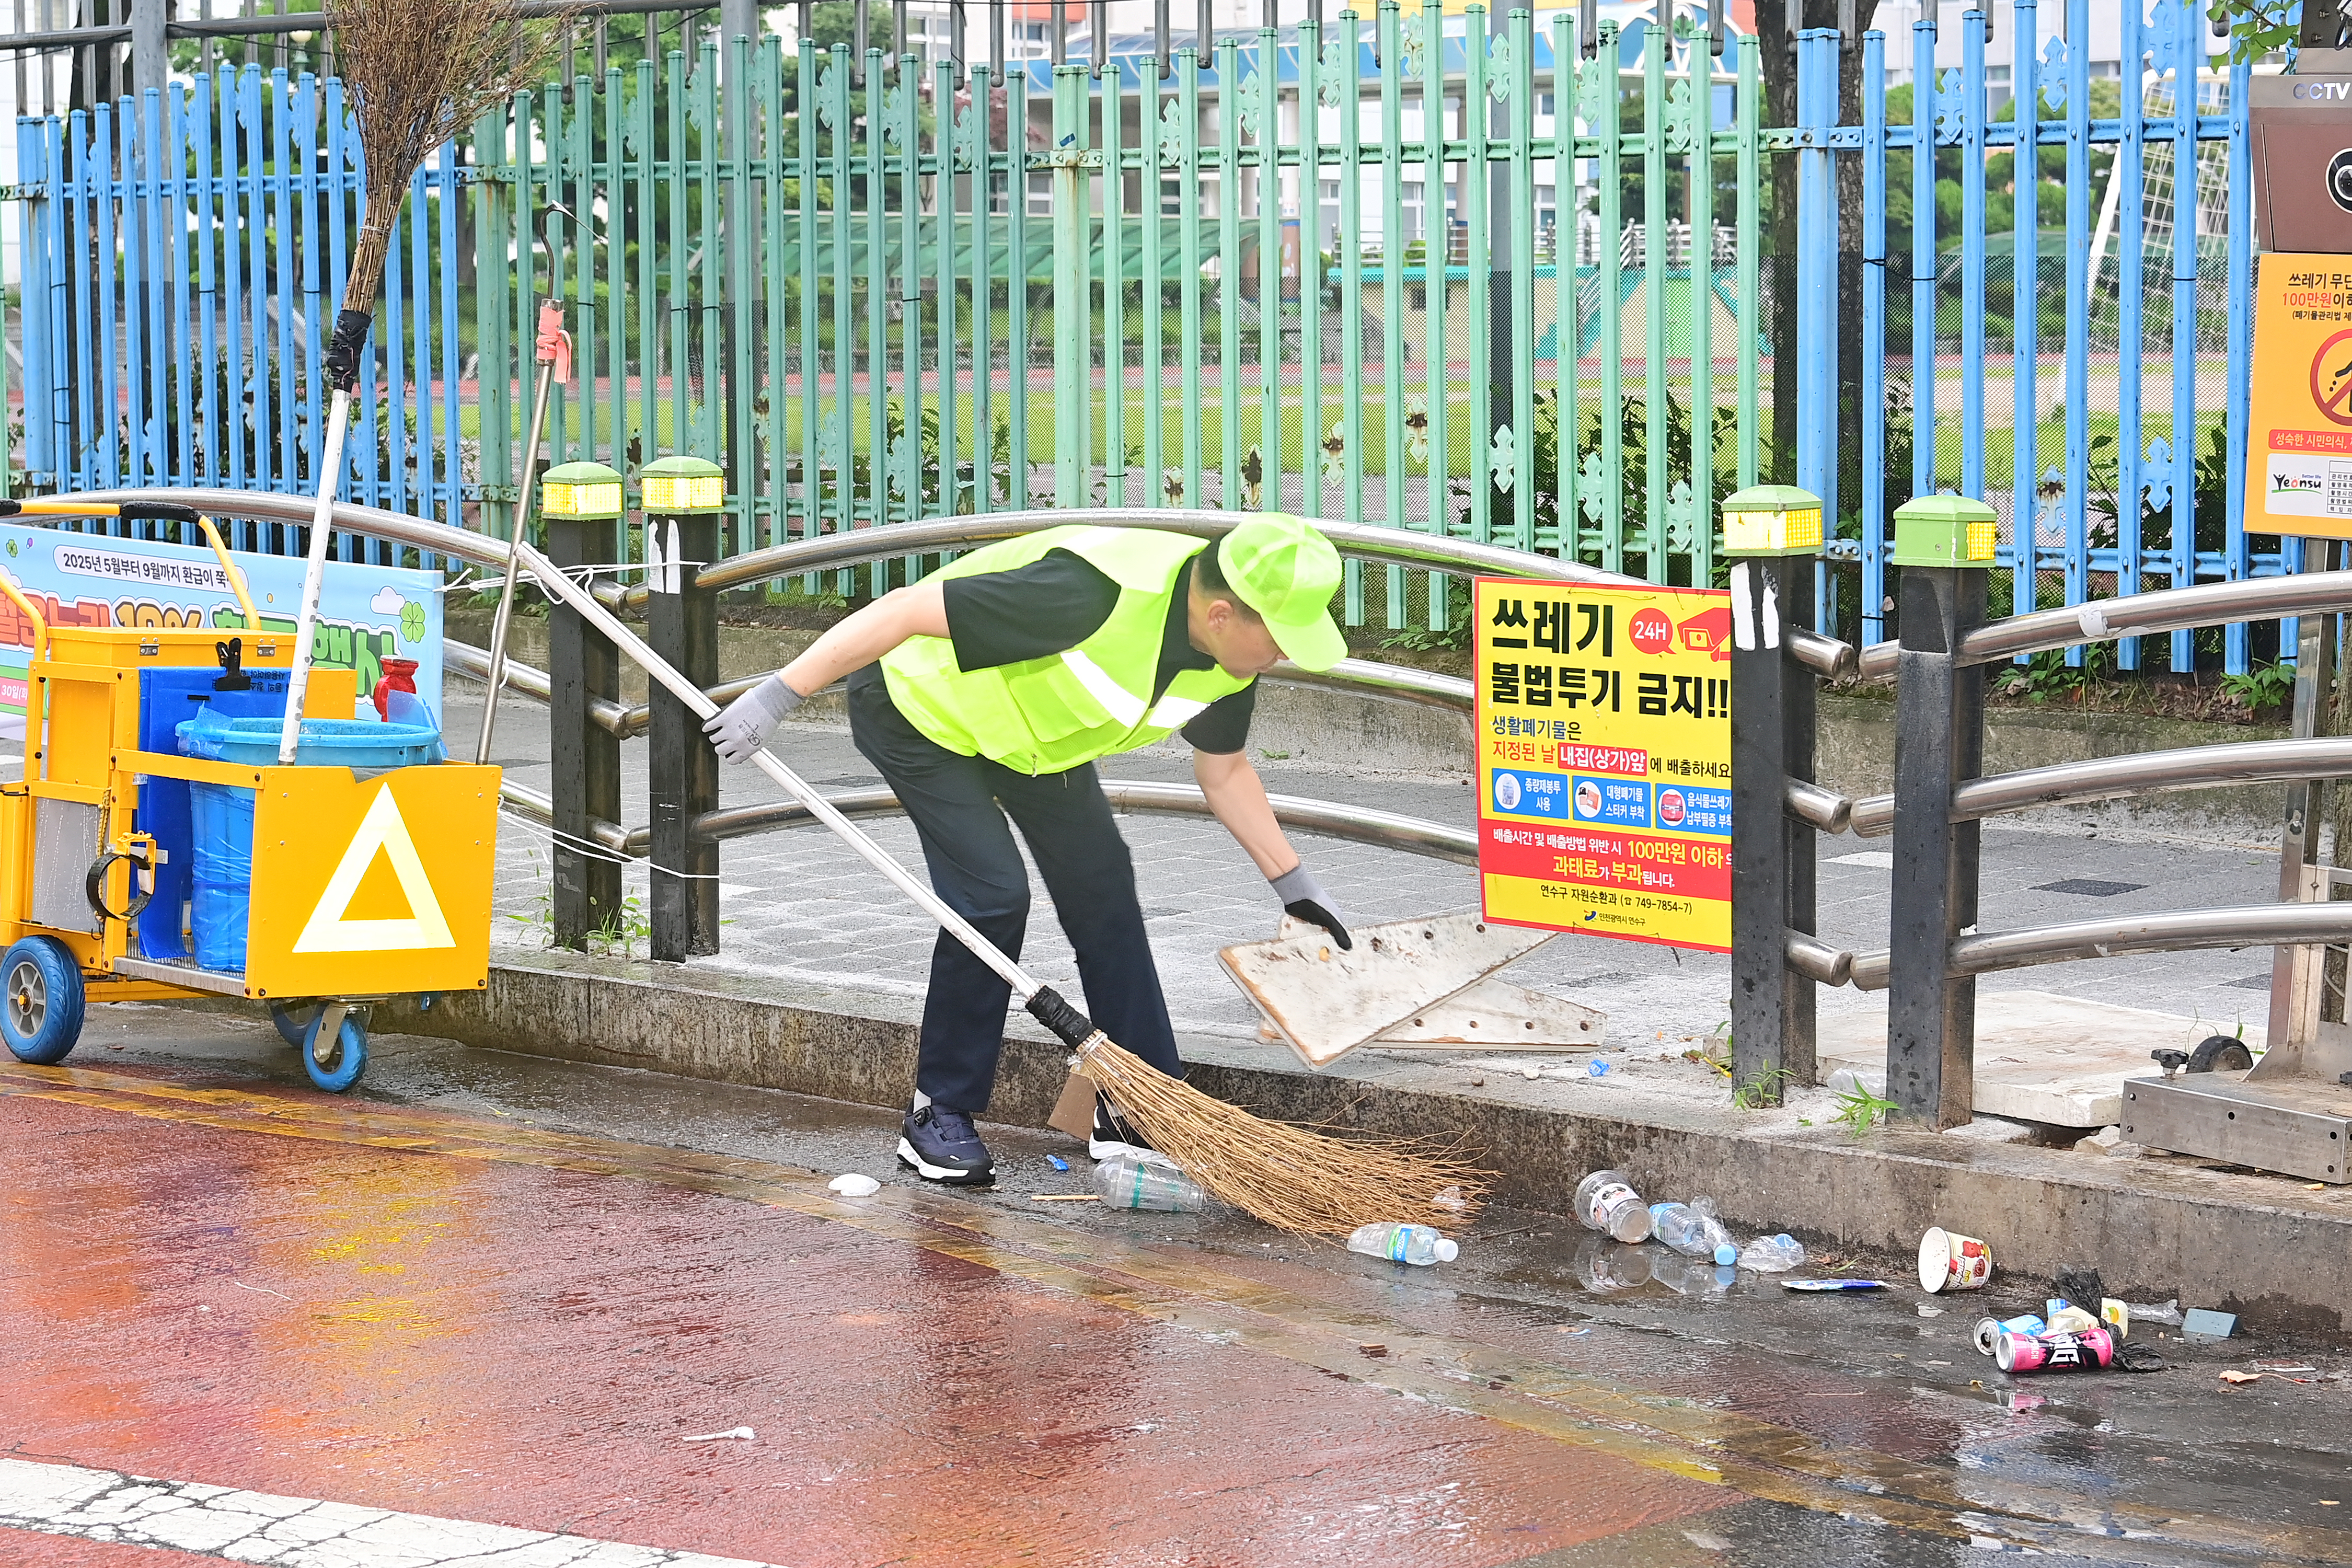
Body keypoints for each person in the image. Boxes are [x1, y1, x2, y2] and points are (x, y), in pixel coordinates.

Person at [703, 515, 1355, 1186]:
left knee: (1103, 886)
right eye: (1279, 638)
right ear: (1222, 614)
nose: (1284, 654)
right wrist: (782, 693)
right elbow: (902, 612)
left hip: (1037, 741)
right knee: (991, 896)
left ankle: (1138, 1101)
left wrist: (1294, 883)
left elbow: (1225, 771)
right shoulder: (1088, 592)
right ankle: (938, 1112)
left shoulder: (1226, 659)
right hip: (924, 712)